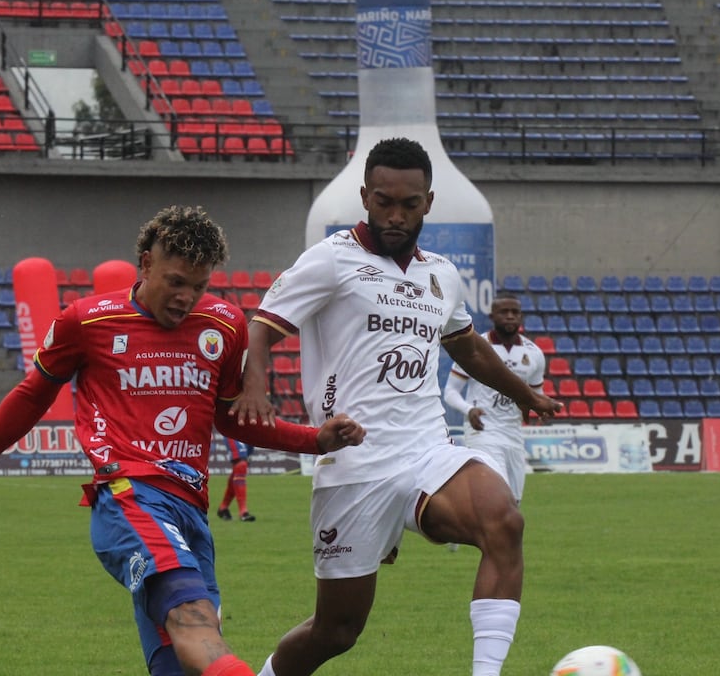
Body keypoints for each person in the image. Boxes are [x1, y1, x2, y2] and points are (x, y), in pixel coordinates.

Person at [0, 206, 364, 676]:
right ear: (146, 264)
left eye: (199, 286)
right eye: (175, 281)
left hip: (190, 509)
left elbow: (232, 421)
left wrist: (317, 439)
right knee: (194, 619)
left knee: (185, 658)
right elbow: (30, 398)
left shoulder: (226, 325)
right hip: (129, 496)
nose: (186, 297)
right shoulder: (87, 323)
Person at [232, 137, 562, 676]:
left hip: (427, 450)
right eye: (384, 200)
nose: (395, 214)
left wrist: (526, 395)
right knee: (336, 631)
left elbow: (466, 345)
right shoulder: (332, 260)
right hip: (354, 464)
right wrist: (255, 387)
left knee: (504, 521)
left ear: (428, 202)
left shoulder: (441, 275)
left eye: (409, 204)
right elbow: (264, 326)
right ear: (365, 195)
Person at [442, 292, 546, 504]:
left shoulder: (534, 353)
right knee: (498, 496)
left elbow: (537, 394)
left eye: (515, 312)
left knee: (514, 502)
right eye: (504, 312)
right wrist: (468, 409)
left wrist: (541, 409)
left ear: (521, 317)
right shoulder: (474, 347)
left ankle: (462, 531)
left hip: (513, 434)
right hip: (483, 431)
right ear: (492, 316)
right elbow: (450, 392)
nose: (510, 316)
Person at [216, 434, 256, 522]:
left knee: (239, 470)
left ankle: (223, 508)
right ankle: (243, 512)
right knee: (241, 464)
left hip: (250, 429)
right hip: (233, 427)